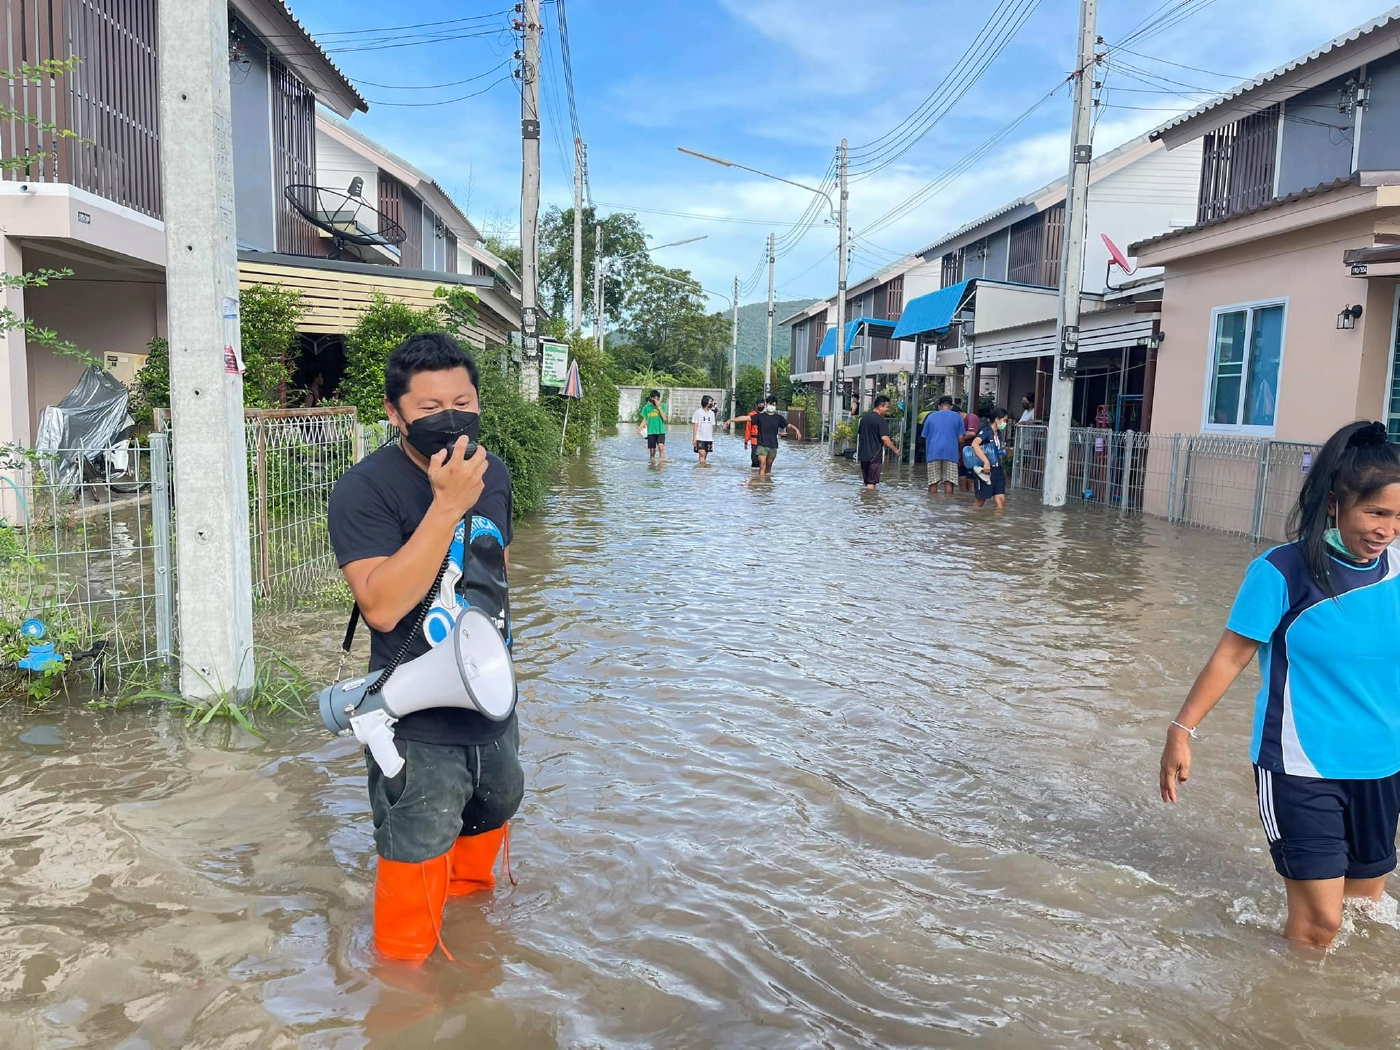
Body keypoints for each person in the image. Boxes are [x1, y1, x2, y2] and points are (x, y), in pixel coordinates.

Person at [1159, 421, 1400, 949]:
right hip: (1299, 766)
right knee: (1321, 924)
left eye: (1399, 516)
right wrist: (1181, 730)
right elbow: (1231, 656)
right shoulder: (1282, 570)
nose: (1387, 530)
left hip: (1382, 767)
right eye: (1376, 513)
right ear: (1334, 503)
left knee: (1365, 910)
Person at [327, 332, 523, 963]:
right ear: (395, 413)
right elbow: (380, 606)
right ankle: (404, 995)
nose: (451, 418)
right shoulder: (365, 489)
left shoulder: (494, 473)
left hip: (490, 703)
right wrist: (446, 507)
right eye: (431, 407)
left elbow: (494, 572)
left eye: (462, 402)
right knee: (411, 893)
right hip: (414, 718)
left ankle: (469, 973)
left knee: (478, 870)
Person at [922, 395, 963, 496]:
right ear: (951, 406)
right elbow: (961, 439)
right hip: (951, 453)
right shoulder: (957, 416)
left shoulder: (930, 416)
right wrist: (959, 451)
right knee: (949, 481)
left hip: (933, 453)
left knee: (933, 481)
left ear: (938, 406)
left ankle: (933, 503)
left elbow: (925, 437)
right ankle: (947, 504)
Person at [856, 394, 901, 490]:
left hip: (863, 455)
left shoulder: (864, 419)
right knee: (872, 483)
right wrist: (895, 449)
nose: (887, 409)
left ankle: (864, 498)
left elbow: (860, 434)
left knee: (867, 482)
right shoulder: (880, 420)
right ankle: (871, 499)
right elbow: (885, 438)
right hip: (875, 456)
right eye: (887, 407)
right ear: (880, 406)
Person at [751, 395, 801, 475]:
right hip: (762, 445)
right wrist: (731, 420)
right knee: (762, 466)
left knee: (768, 468)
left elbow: (788, 425)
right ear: (766, 404)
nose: (772, 406)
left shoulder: (778, 418)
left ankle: (767, 482)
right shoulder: (760, 416)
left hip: (773, 446)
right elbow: (746, 418)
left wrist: (796, 430)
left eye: (774, 405)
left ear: (776, 406)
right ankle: (761, 482)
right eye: (770, 404)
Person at [971, 407, 1009, 509]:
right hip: (985, 470)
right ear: (997, 419)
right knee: (980, 501)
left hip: (997, 469)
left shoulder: (999, 434)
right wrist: (986, 461)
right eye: (1004, 420)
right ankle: (972, 516)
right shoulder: (986, 432)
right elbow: (975, 444)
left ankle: (998, 519)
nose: (1005, 423)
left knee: (1000, 500)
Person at [724, 399, 765, 469]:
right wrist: (746, 441)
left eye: (763, 405)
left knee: (763, 461)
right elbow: (748, 428)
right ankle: (754, 474)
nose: (761, 406)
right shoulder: (752, 415)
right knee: (754, 460)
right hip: (755, 440)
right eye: (760, 405)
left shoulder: (767, 415)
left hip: (764, 441)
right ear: (756, 405)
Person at [638, 389, 669, 463]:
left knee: (661, 447)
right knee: (652, 450)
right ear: (651, 398)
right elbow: (645, 419)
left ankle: (662, 464)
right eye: (654, 398)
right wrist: (640, 427)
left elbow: (665, 418)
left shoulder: (663, 405)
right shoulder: (646, 407)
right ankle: (651, 463)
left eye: (657, 398)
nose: (655, 400)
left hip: (660, 431)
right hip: (651, 431)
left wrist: (659, 408)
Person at [959, 401, 982, 493]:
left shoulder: (971, 417)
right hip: (961, 455)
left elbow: (972, 433)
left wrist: (958, 437)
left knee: (971, 481)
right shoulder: (958, 421)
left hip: (972, 455)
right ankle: (963, 498)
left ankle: (972, 499)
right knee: (961, 479)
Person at [691, 395, 717, 465]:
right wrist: (694, 438)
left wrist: (712, 437)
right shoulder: (698, 412)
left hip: (708, 438)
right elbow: (695, 425)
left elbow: (712, 426)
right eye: (710, 401)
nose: (712, 403)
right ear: (706, 402)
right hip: (700, 437)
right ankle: (702, 467)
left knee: (704, 455)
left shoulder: (712, 413)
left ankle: (702, 469)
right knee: (702, 454)